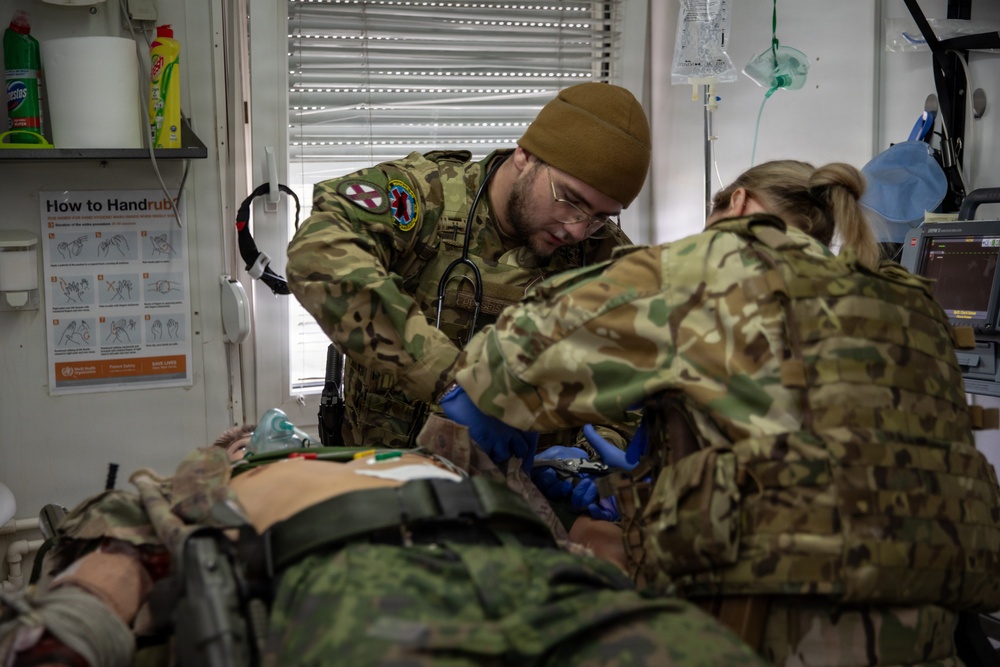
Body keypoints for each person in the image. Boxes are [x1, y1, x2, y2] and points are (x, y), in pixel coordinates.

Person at [441, 159, 1000, 666]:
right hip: (935, 639)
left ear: (734, 203)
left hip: (770, 639)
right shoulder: (910, 303)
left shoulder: (709, 267)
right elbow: (825, 458)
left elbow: (500, 366)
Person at [0, 419, 770, 667]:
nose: (275, 430)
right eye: (251, 434)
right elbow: (123, 549)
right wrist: (74, 626)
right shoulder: (207, 477)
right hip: (361, 572)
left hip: (529, 563)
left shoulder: (423, 453)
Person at [285, 81, 651, 454]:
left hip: (524, 496)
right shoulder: (424, 198)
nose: (577, 229)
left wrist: (594, 455)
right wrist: (447, 378)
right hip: (389, 478)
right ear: (525, 155)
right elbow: (317, 256)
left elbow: (631, 378)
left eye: (600, 216)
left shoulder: (603, 257)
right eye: (571, 200)